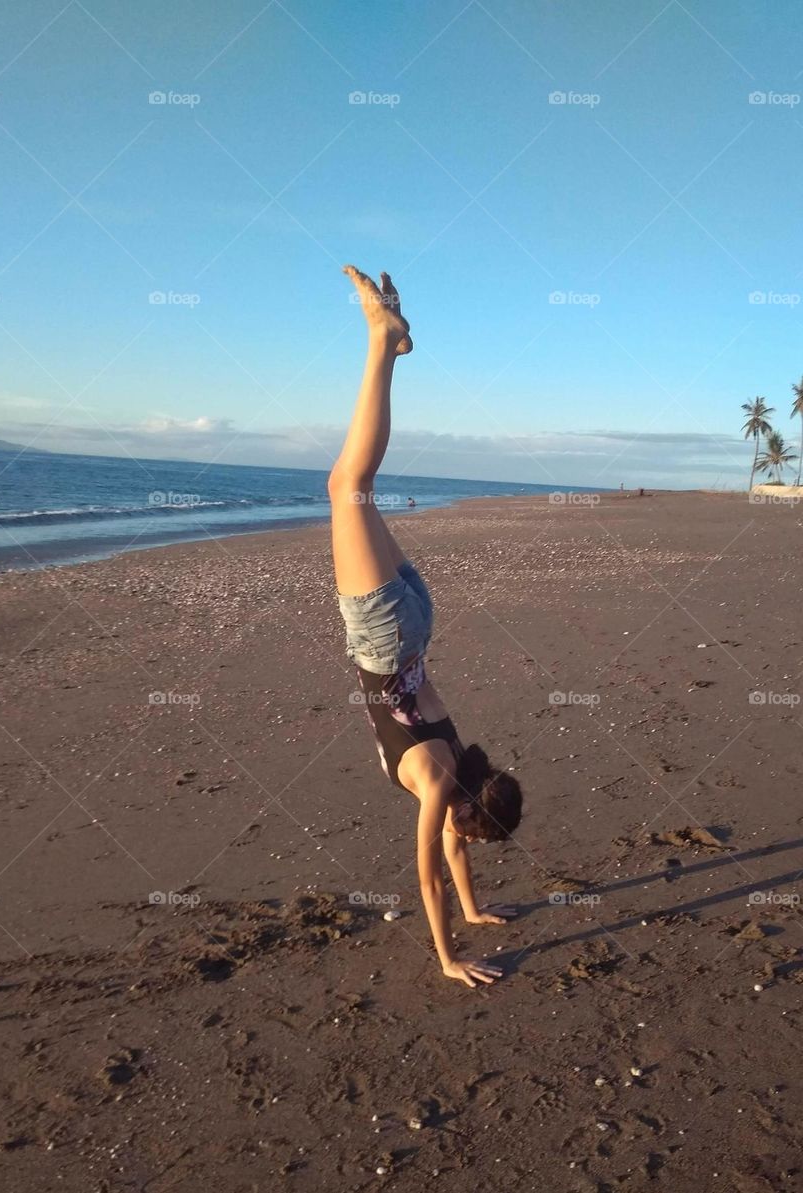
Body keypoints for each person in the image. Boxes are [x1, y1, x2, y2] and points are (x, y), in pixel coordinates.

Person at [329, 266, 523, 988]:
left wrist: (477, 914)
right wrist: (448, 957)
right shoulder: (439, 782)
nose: (460, 834)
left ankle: (392, 344)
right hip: (383, 631)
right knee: (346, 486)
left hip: (416, 620)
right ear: (468, 803)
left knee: (357, 489)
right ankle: (382, 341)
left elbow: (454, 855)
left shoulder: (455, 754)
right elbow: (428, 875)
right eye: (469, 824)